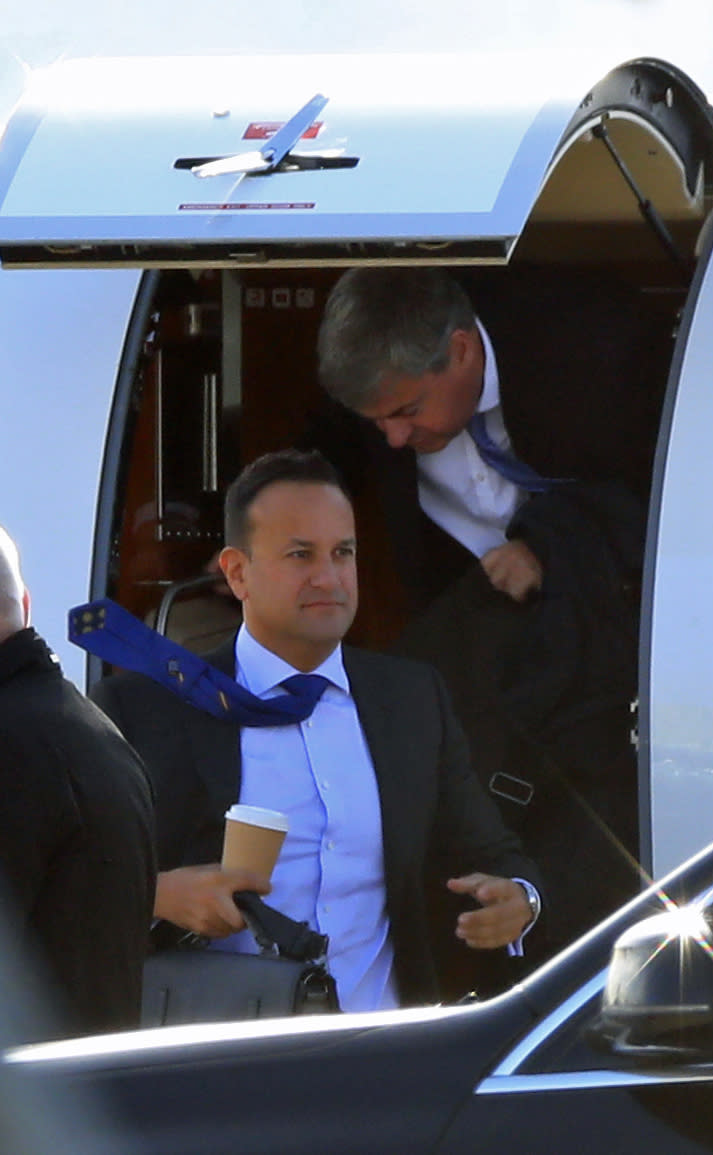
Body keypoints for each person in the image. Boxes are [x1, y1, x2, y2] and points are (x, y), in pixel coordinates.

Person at [91, 449, 542, 1013]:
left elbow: (493, 852)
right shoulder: (148, 708)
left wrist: (520, 901)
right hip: (221, 1059)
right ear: (236, 573)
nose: (328, 577)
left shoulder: (410, 698)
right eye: (300, 555)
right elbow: (73, 891)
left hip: (385, 1051)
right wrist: (159, 896)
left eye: (343, 553)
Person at [315, 265, 660, 952]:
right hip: (483, 651)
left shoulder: (604, 353)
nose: (390, 439)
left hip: (620, 641)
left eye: (407, 411)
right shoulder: (383, 394)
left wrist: (549, 545)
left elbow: (671, 499)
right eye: (375, 420)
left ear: (465, 352)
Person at [0, 509, 156, 1040]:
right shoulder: (84, 729)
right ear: (24, 605)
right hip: (98, 1098)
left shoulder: (1, 748)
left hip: (25, 1110)